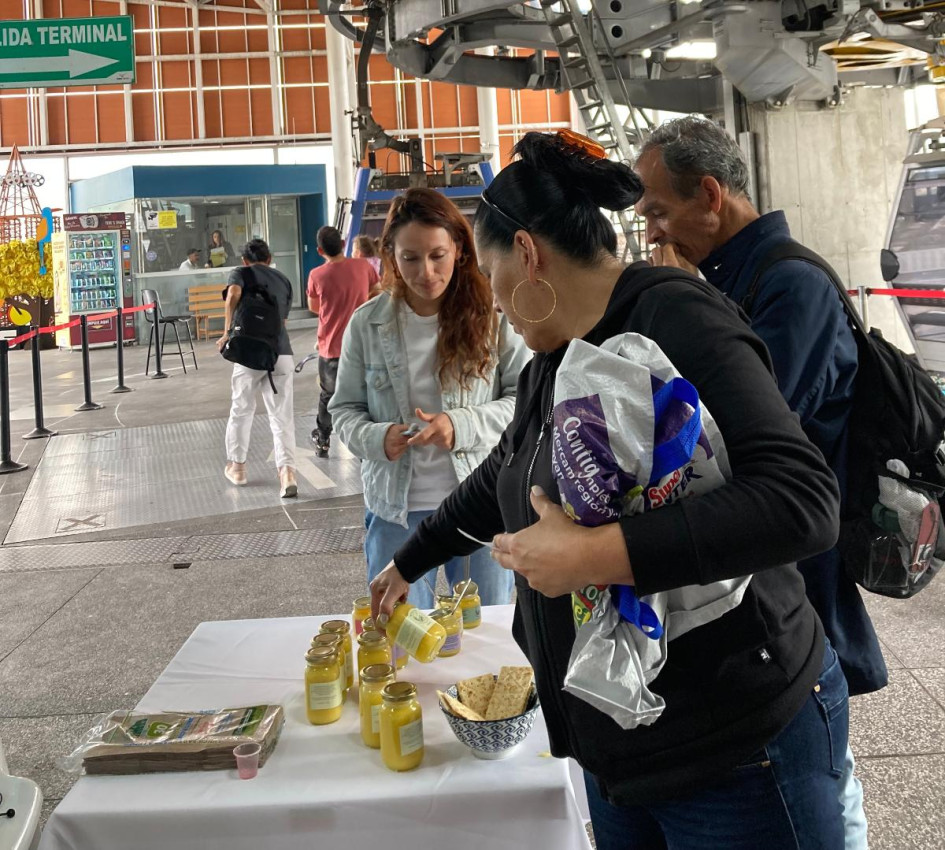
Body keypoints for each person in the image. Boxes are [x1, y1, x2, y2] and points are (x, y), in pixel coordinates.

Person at [370, 132, 847, 849]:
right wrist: (410, 561)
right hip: (622, 752)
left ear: (528, 255)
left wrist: (598, 554)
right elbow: (498, 477)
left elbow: (800, 501)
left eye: (493, 272)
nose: (494, 301)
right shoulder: (552, 362)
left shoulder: (675, 317)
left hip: (735, 749)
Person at [634, 116, 885, 849]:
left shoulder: (789, 286)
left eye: (656, 210)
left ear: (709, 196)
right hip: (767, 565)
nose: (650, 232)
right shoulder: (729, 277)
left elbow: (742, 433)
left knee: (820, 766)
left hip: (801, 561)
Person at [330, 187, 530, 608]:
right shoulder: (367, 324)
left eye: (438, 255)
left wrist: (459, 425)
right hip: (395, 510)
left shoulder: (493, 316)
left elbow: (525, 401)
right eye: (410, 258)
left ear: (459, 248)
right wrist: (377, 437)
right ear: (390, 255)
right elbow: (344, 411)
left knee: (485, 636)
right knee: (402, 639)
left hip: (480, 502)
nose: (426, 271)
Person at [218, 238, 297, 498]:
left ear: (244, 260)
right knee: (281, 416)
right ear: (270, 257)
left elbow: (233, 295)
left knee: (242, 409)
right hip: (281, 353)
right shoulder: (283, 280)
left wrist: (227, 331)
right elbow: (282, 321)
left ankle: (238, 468)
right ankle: (287, 474)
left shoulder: (241, 273)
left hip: (249, 352)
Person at [306, 226, 379, 458]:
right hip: (363, 345)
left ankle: (323, 439)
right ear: (343, 242)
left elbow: (313, 307)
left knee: (329, 395)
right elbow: (377, 292)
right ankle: (365, 444)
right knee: (365, 395)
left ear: (319, 250)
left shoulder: (316, 275)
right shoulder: (364, 267)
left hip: (331, 347)